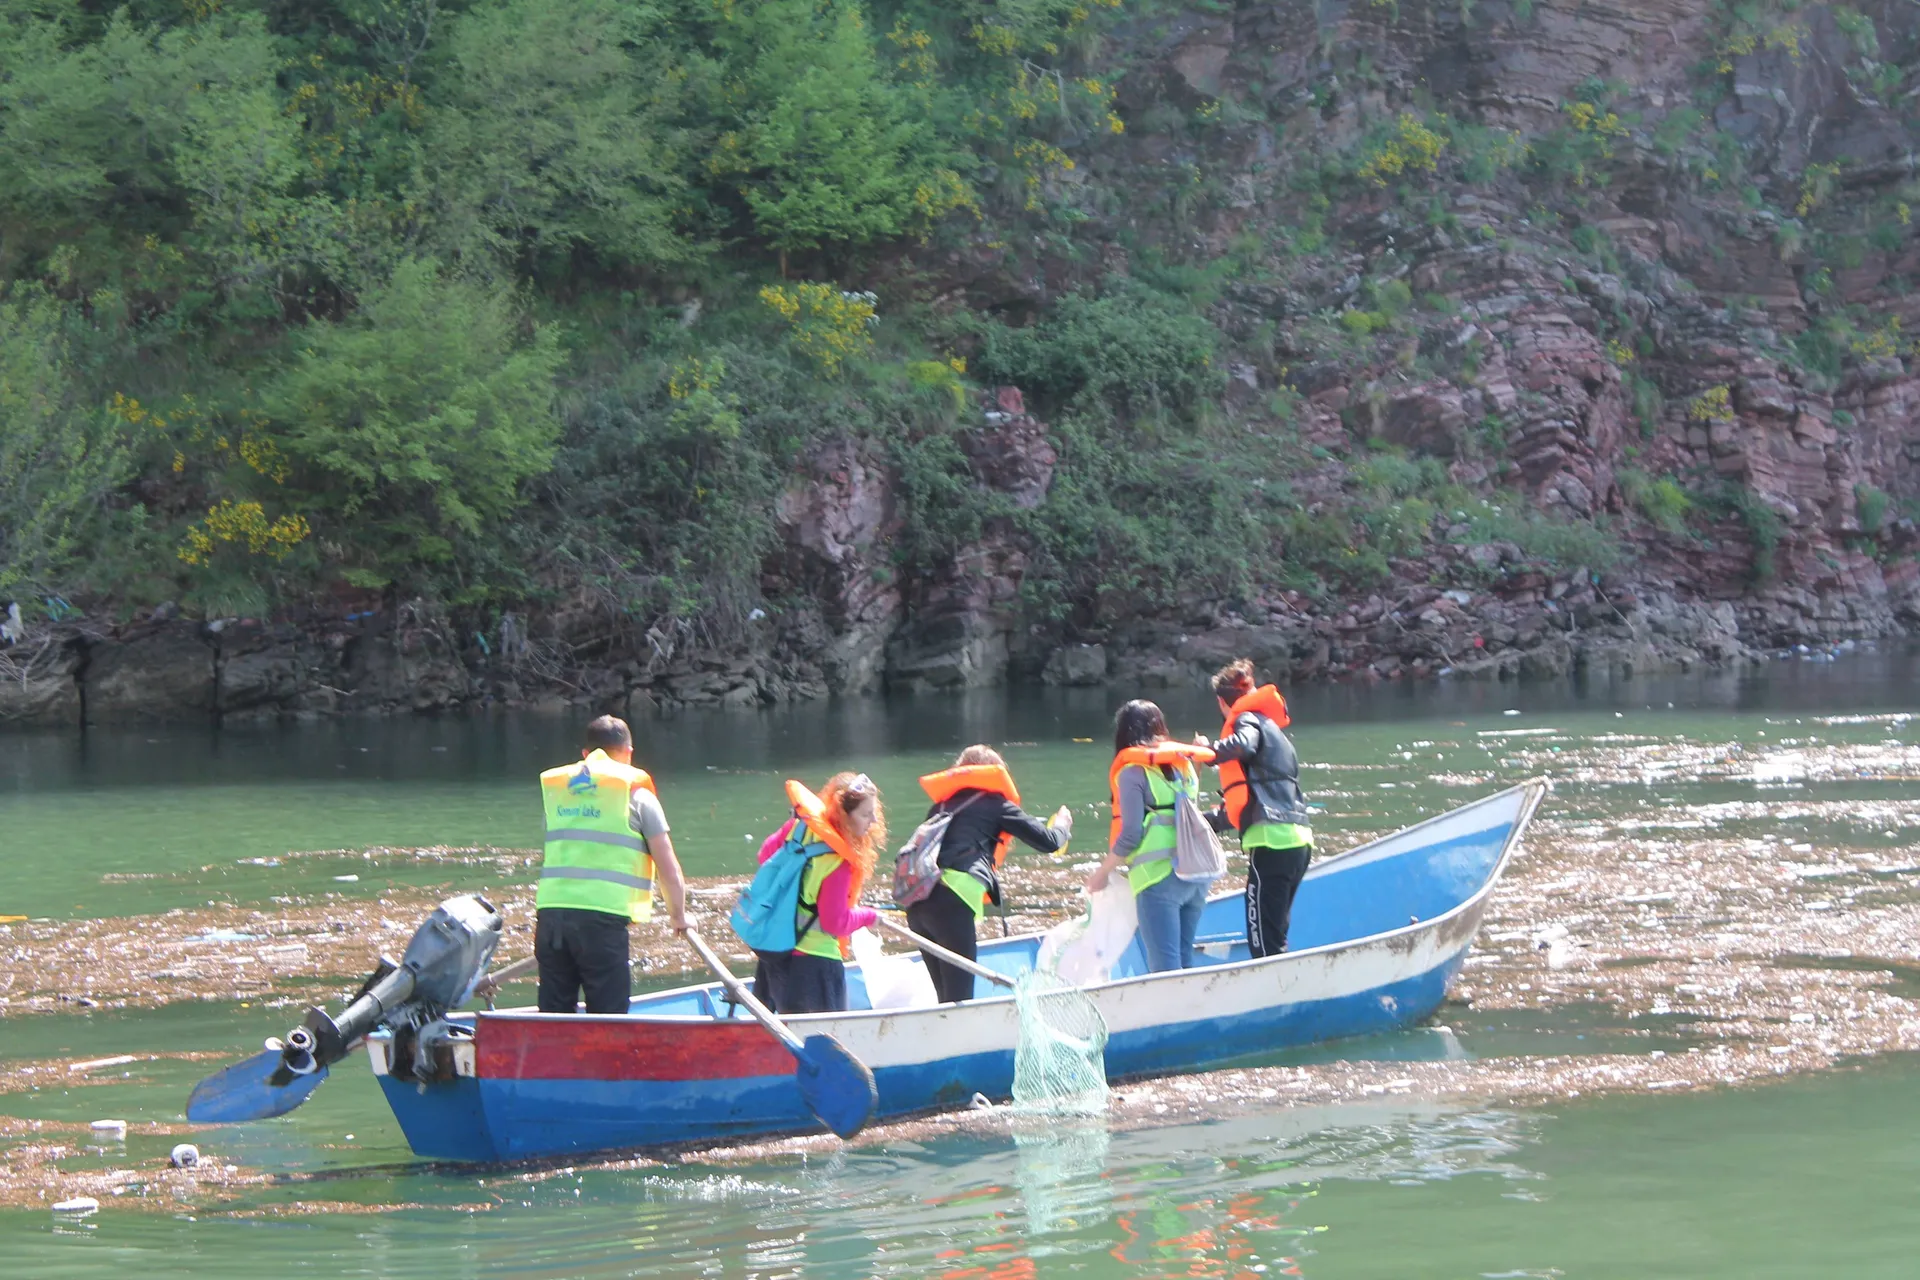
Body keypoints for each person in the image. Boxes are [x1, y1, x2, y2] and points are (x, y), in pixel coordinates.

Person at [534, 715, 689, 1014]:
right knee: (608, 1016)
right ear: (629, 752)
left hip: (551, 917)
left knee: (553, 1017)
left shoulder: (557, 795)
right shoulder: (637, 794)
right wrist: (679, 916)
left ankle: (554, 1061)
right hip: (601, 924)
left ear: (585, 754)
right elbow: (668, 867)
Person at [906, 745, 1073, 1003]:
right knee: (960, 1003)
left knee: (945, 1001)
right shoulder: (995, 803)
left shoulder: (940, 806)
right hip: (951, 903)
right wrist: (1063, 824)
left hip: (917, 905)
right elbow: (1049, 841)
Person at [1085, 701, 1217, 972]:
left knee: (1165, 966)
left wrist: (1102, 873)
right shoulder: (1186, 766)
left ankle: (1174, 1014)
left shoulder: (1132, 772)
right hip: (1197, 875)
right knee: (1184, 958)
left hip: (1158, 879)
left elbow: (1131, 833)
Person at [1200, 658, 1314, 957]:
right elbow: (1246, 804)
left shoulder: (1246, 721)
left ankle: (1280, 1000)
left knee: (1263, 943)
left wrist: (1207, 753)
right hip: (1298, 841)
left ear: (1221, 702)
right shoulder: (1275, 734)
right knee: (1274, 935)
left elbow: (1242, 745)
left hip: (1271, 845)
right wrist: (1201, 821)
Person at [746, 772, 886, 1015]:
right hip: (813, 965)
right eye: (865, 814)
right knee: (825, 1042)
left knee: (792, 1034)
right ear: (844, 815)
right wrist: (868, 917)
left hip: (777, 952)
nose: (873, 820)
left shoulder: (798, 829)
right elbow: (835, 923)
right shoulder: (838, 863)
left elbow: (765, 856)